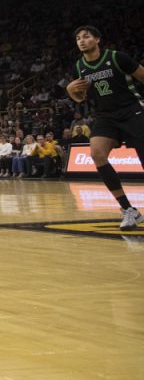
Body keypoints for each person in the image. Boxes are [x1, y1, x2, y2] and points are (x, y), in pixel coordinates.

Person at [66, 25, 144, 228]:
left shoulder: (118, 58)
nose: (81, 40)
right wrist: (71, 91)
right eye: (78, 38)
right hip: (105, 116)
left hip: (131, 111)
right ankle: (128, 210)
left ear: (97, 39)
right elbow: (81, 98)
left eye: (86, 37)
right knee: (97, 154)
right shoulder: (79, 67)